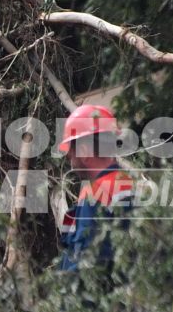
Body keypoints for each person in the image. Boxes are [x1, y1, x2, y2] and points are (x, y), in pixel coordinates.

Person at [57, 103, 134, 271]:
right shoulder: (131, 184)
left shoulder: (95, 193)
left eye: (71, 153)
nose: (70, 160)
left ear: (84, 151)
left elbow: (85, 260)